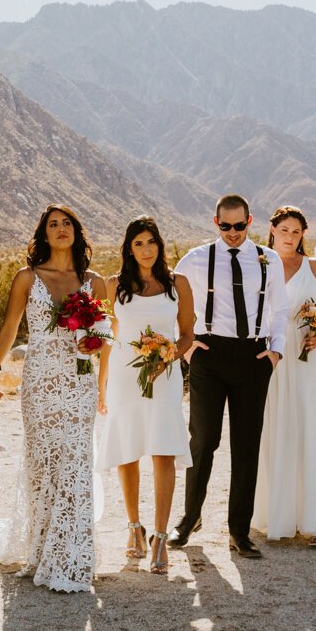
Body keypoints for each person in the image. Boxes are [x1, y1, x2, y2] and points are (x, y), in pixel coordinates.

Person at [0, 205, 101, 593]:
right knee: (43, 462)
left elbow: (104, 335)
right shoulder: (26, 278)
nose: (61, 229)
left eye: (67, 223)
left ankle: (71, 555)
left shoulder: (94, 282)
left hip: (80, 382)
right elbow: (11, 328)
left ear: (76, 231)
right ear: (44, 234)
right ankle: (41, 549)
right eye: (53, 224)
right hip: (40, 384)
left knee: (76, 463)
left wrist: (93, 343)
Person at [169, 194, 288, 559]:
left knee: (246, 446)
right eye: (226, 226)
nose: (233, 233)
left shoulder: (267, 260)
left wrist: (276, 352)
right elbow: (171, 303)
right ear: (215, 222)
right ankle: (189, 519)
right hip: (209, 354)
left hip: (253, 357)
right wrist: (187, 349)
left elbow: (279, 310)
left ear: (250, 221)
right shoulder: (195, 259)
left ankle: (239, 531)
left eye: (239, 226)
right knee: (203, 439)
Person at [96, 216, 191, 576]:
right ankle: (134, 527)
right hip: (124, 375)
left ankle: (161, 536)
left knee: (163, 451)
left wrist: (166, 356)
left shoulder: (177, 284)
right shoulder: (113, 285)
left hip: (165, 376)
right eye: (138, 243)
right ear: (128, 248)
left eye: (151, 242)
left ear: (160, 245)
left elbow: (186, 335)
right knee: (127, 450)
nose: (146, 249)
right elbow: (109, 337)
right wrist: (103, 384)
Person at [253, 206, 316, 546]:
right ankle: (276, 513)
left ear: (302, 235)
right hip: (275, 356)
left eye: (296, 232)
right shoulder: (259, 265)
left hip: (311, 356)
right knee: (277, 428)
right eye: (284, 230)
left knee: (313, 429)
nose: (290, 237)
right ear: (272, 230)